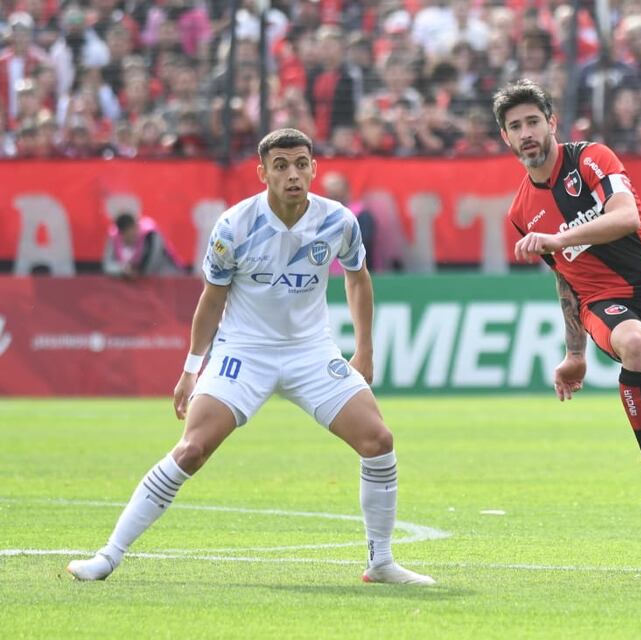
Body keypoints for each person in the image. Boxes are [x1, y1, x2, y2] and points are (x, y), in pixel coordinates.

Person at [68, 128, 434, 586]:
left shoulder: (338, 220)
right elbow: (212, 299)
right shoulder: (234, 225)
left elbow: (357, 278)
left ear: (313, 169)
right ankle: (108, 555)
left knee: (378, 440)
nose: (293, 174)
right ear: (262, 173)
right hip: (243, 351)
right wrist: (190, 369)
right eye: (280, 166)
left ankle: (380, 562)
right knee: (192, 449)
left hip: (310, 352)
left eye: (301, 163)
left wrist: (364, 348)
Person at [494, 79, 641, 584]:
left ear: (552, 123)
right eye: (514, 127)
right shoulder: (521, 211)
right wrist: (575, 353)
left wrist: (559, 236)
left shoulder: (591, 158)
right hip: (603, 303)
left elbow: (626, 216)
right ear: (505, 138)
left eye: (533, 121)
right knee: (634, 344)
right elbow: (567, 283)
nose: (526, 133)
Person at [102, 213, 185, 278]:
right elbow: (107, 265)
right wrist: (122, 270)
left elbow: (152, 263)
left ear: (135, 227)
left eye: (132, 233)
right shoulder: (113, 237)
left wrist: (138, 272)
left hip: (166, 276)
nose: (131, 237)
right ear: (121, 234)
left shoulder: (151, 236)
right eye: (127, 236)